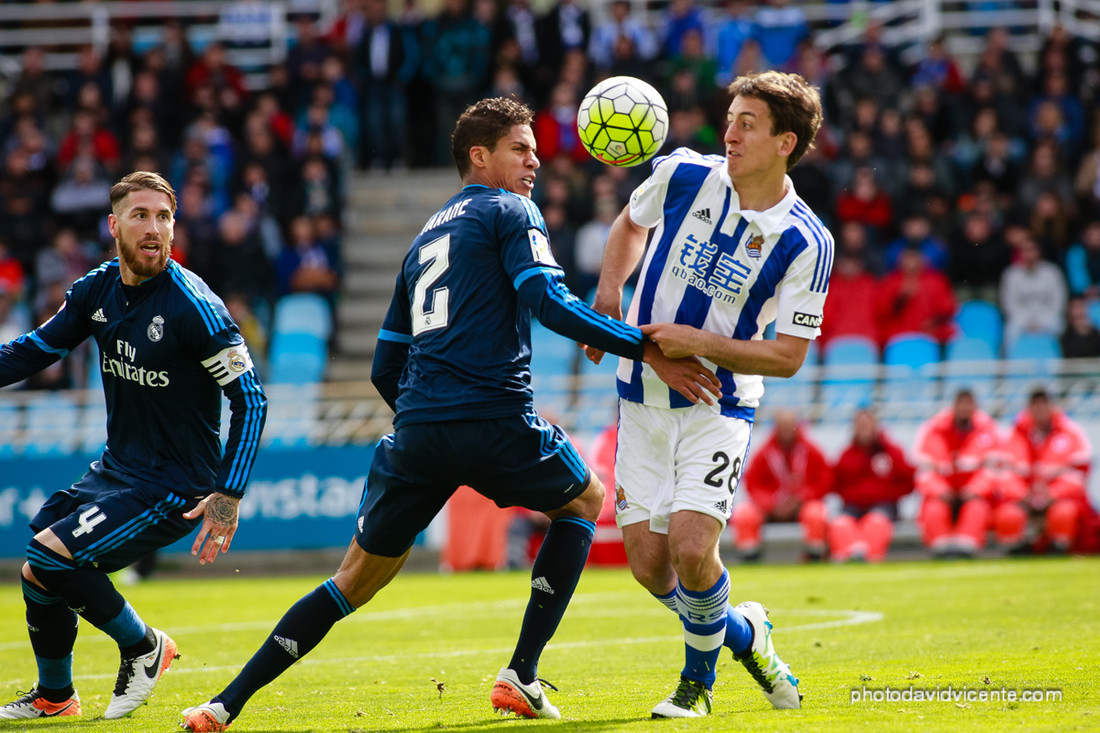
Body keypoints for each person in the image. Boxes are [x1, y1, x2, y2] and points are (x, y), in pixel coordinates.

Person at [180, 97, 719, 731]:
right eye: (521, 149)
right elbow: (547, 300)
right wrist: (646, 347)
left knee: (351, 581)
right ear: (479, 155)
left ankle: (223, 705)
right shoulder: (510, 210)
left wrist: (426, 423)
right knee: (582, 501)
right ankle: (522, 671)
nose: (535, 162)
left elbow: (386, 365)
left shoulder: (424, 237)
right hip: (494, 416)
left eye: (536, 151)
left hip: (418, 432)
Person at [585, 70, 830, 717]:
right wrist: (609, 292)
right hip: (639, 396)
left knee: (694, 550)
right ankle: (749, 634)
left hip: (718, 406)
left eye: (747, 123)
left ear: (786, 141)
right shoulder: (683, 173)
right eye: (730, 118)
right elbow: (628, 227)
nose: (730, 132)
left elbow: (788, 356)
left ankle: (696, 688)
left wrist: (697, 341)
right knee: (649, 565)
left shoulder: (807, 240)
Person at [0, 171, 268, 720]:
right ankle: (56, 697)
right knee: (39, 574)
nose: (154, 228)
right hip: (118, 470)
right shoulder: (95, 290)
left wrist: (229, 493)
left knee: (48, 554)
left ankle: (145, 644)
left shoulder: (196, 307)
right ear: (114, 225)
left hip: (175, 484)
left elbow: (251, 400)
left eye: (164, 217)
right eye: (140, 216)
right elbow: (34, 351)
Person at [995, 389, 1093, 554]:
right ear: (1029, 408)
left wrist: (1052, 494)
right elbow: (1004, 473)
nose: (1040, 409)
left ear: (1052, 406)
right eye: (1036, 405)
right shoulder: (1015, 434)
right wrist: (1023, 494)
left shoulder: (1071, 432)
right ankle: (1016, 548)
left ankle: (1059, 548)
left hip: (1058, 498)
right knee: (1008, 514)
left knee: (1064, 512)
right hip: (1025, 497)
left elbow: (1078, 473)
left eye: (1044, 404)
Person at [732, 409, 832, 562]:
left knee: (816, 513)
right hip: (771, 508)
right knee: (745, 514)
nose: (786, 430)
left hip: (801, 504)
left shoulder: (811, 450)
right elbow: (753, 484)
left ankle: (814, 555)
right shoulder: (764, 453)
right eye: (782, 425)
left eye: (789, 425)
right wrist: (770, 503)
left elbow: (824, 481)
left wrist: (802, 497)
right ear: (775, 427)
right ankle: (749, 556)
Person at [912, 389, 1002, 558]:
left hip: (975, 496)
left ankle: (965, 549)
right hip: (943, 495)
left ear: (975, 406)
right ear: (954, 405)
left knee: (977, 507)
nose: (965, 408)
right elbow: (924, 472)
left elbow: (994, 470)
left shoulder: (989, 430)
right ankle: (941, 549)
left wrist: (974, 491)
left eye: (968, 403)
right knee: (934, 508)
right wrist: (942, 492)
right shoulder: (933, 430)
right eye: (961, 403)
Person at [828, 409, 915, 562]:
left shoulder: (891, 452)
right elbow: (835, 482)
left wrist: (890, 494)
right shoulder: (847, 454)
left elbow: (908, 479)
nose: (864, 428)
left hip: (884, 505)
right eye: (860, 425)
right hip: (853, 506)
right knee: (840, 523)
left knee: (876, 521)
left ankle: (871, 557)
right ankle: (849, 555)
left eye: (867, 424)